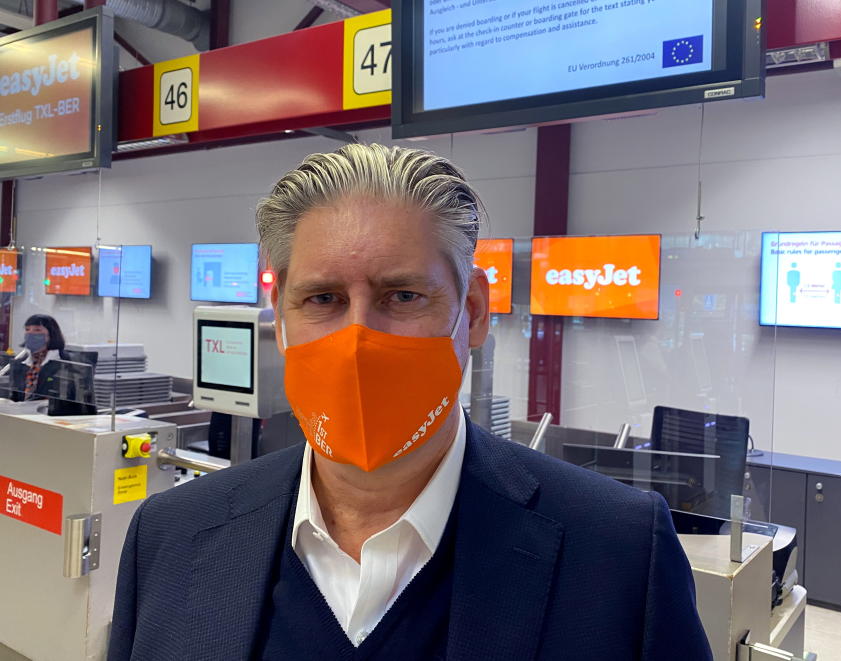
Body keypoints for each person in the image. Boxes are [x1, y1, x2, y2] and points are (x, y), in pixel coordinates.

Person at [108, 145, 712, 660]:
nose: (358, 340)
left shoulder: (619, 553)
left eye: (402, 295)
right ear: (283, 323)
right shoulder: (169, 536)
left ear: (471, 312)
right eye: (322, 299)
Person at [8, 313, 73, 401]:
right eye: (27, 329)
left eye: (37, 330)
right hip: (21, 412)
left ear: (51, 334)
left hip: (48, 412)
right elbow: (14, 395)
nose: (30, 333)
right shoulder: (19, 363)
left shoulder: (65, 362)